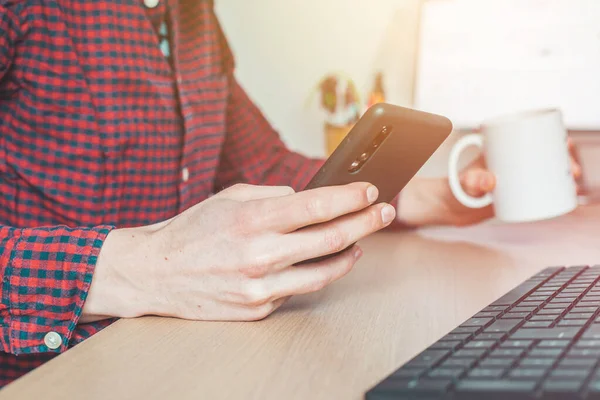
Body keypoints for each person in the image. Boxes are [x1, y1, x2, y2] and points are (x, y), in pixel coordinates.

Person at [0, 0, 581, 387]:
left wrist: (425, 198)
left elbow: (266, 165)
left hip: (172, 361)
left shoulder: (194, 17)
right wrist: (139, 268)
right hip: (45, 372)